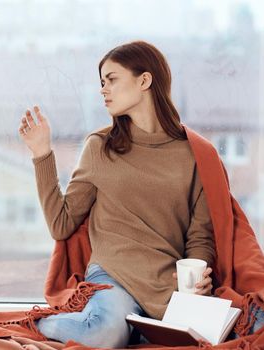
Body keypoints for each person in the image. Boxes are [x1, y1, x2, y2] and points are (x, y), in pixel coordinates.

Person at [17, 40, 261, 348]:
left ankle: (140, 327)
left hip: (167, 284)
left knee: (256, 325)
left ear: (144, 80)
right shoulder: (99, 147)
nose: (103, 89)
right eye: (101, 82)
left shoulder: (197, 155)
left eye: (112, 79)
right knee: (104, 334)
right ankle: (38, 323)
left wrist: (198, 276)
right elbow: (61, 224)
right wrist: (42, 154)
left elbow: (200, 235)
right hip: (112, 275)